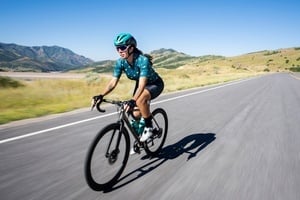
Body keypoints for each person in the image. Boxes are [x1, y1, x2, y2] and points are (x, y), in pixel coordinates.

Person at [93, 33, 164, 144]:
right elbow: (113, 82)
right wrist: (101, 95)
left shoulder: (142, 60)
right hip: (140, 85)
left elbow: (142, 84)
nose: (119, 51)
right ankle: (141, 132)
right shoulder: (120, 62)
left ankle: (149, 128)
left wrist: (133, 100)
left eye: (122, 47)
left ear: (131, 48)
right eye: (117, 48)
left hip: (154, 84)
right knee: (135, 113)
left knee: (140, 100)